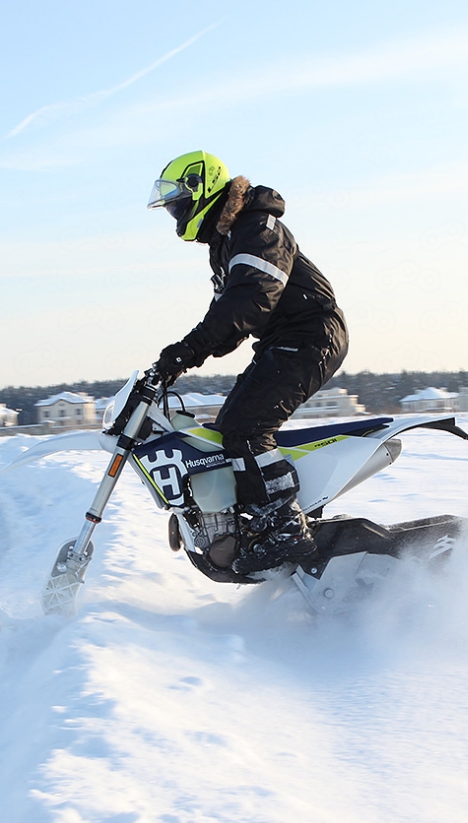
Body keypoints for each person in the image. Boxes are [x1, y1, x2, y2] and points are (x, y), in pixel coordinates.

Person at [146, 150, 349, 575]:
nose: (176, 214)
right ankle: (245, 527)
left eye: (178, 203)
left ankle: (286, 527)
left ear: (202, 190)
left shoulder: (258, 228)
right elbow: (229, 321)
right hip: (284, 339)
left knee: (246, 430)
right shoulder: (226, 241)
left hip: (311, 336)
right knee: (225, 433)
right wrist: (180, 359)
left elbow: (251, 301)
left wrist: (183, 352)